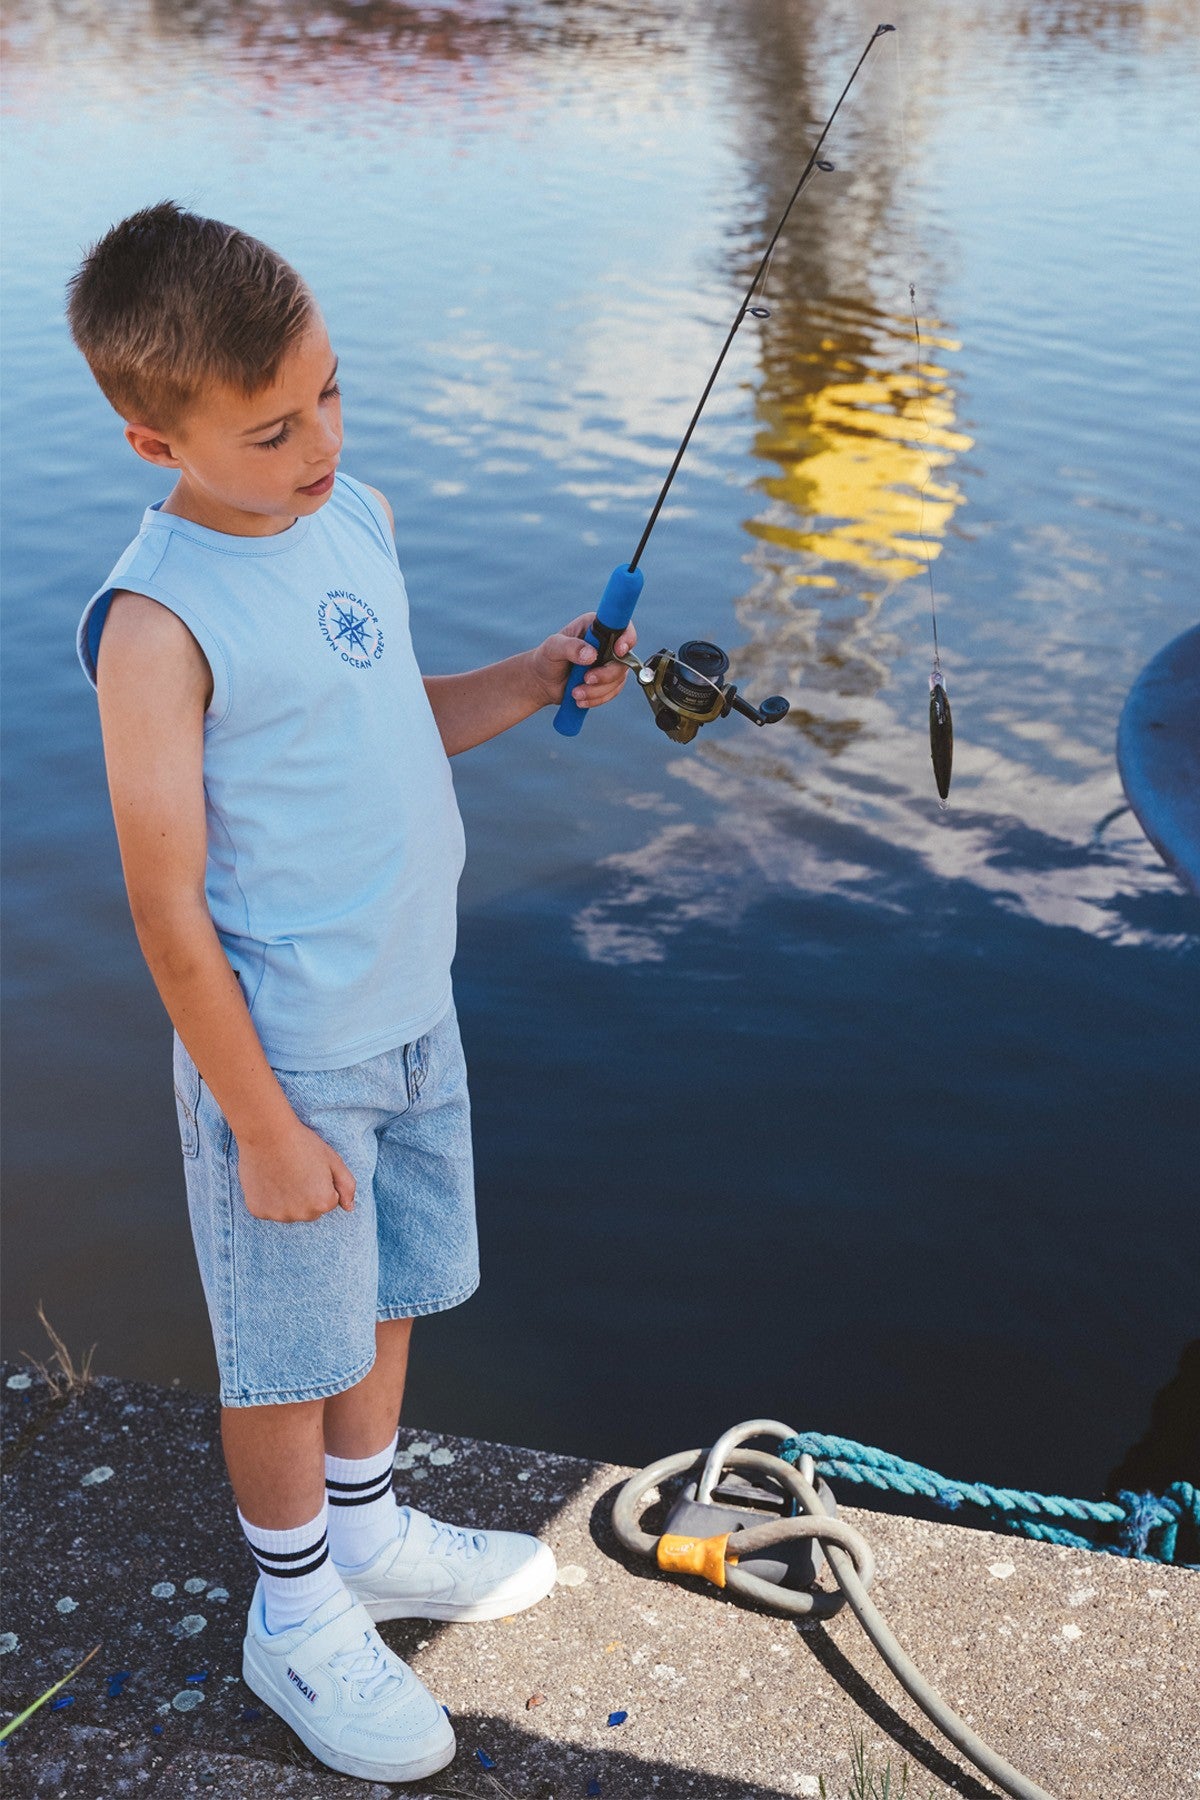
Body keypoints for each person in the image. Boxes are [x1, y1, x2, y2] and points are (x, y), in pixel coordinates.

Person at [67, 201, 636, 1784]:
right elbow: (164, 904)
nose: (317, 438)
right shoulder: (156, 624)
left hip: (412, 1008)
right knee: (288, 1352)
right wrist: (254, 1120)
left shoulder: (352, 513)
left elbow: (390, 725)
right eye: (269, 426)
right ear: (147, 435)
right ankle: (295, 1611)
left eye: (330, 391)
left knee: (387, 1295)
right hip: (288, 1056)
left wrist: (526, 679)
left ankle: (370, 1529)